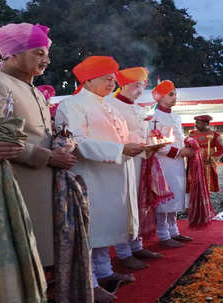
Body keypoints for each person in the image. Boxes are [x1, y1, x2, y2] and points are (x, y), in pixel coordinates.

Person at [0, 23, 77, 270]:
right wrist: (47, 157)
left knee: (43, 253)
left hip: (45, 182)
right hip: (15, 185)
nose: (46, 60)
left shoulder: (36, 91)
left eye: (47, 53)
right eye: (39, 53)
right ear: (11, 54)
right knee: (21, 259)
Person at [55, 56, 145, 303]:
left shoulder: (110, 104)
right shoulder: (72, 105)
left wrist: (134, 145)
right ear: (89, 79)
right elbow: (77, 141)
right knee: (91, 231)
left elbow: (123, 136)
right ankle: (89, 282)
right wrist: (120, 151)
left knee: (106, 227)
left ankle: (105, 272)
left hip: (116, 175)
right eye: (107, 78)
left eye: (113, 78)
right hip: (90, 176)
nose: (112, 82)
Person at [111, 66, 164, 270]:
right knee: (125, 205)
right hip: (122, 161)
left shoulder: (137, 107)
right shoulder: (110, 104)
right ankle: (124, 253)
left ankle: (137, 245)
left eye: (142, 85)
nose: (140, 90)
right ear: (123, 85)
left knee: (139, 203)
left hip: (141, 160)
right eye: (136, 85)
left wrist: (153, 142)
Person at [150, 80, 195, 248]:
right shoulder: (154, 117)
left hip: (177, 163)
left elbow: (178, 137)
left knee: (176, 194)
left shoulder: (176, 116)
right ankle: (163, 234)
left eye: (175, 93)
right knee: (165, 196)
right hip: (163, 162)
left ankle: (174, 231)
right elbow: (155, 141)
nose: (174, 97)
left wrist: (187, 145)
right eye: (171, 94)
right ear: (160, 97)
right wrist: (178, 152)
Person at [189, 115, 223, 192]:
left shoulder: (215, 135)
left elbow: (220, 149)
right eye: (195, 123)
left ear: (206, 123)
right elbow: (188, 147)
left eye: (198, 123)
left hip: (207, 163)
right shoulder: (192, 134)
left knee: (206, 182)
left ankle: (206, 197)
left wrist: (212, 159)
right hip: (194, 161)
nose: (195, 125)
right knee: (194, 182)